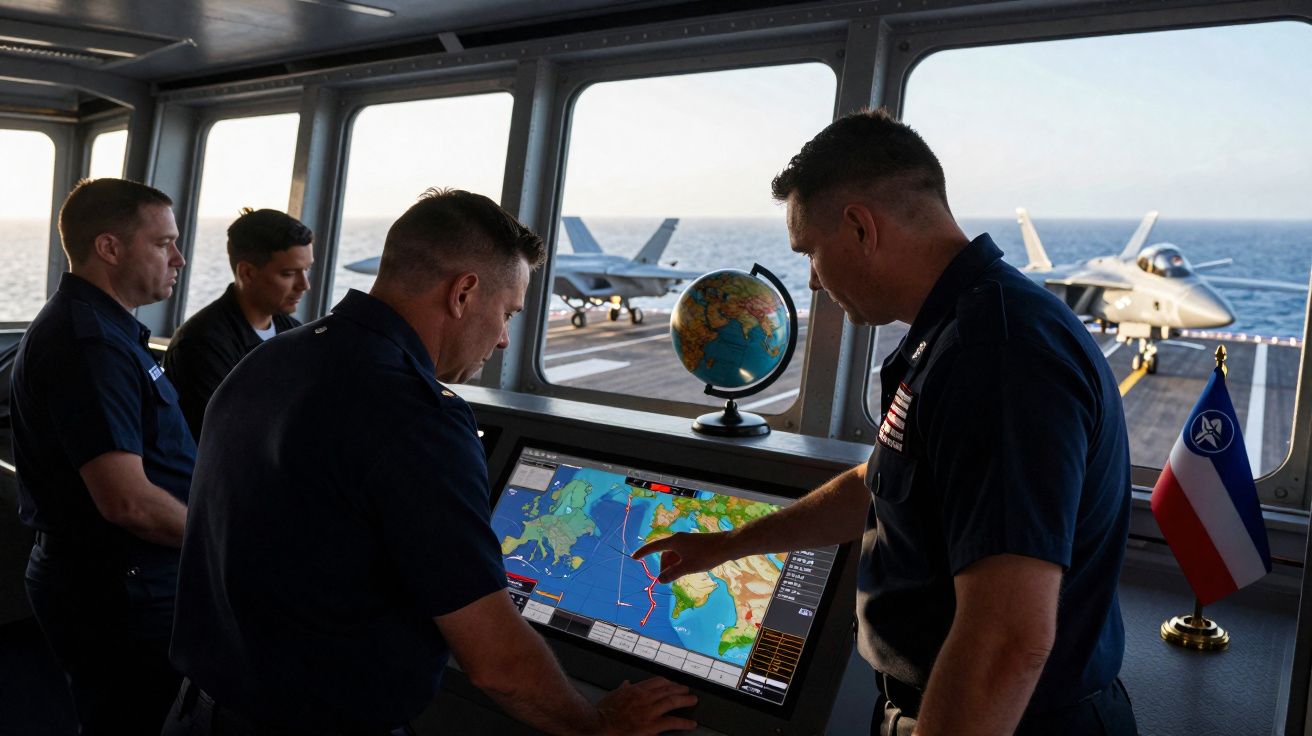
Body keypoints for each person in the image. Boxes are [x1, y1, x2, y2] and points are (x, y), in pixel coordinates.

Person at [635, 109, 1137, 736]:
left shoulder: (996, 356)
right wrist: (728, 546)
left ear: (859, 228)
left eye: (810, 253)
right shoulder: (950, 333)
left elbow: (1008, 640)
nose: (813, 281)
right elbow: (882, 484)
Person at [165, 189, 697, 736]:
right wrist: (598, 724)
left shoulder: (268, 360)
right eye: (507, 312)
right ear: (464, 292)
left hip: (199, 712)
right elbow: (496, 663)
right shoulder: (416, 417)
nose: (504, 340)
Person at [10, 178, 192, 734]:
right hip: (121, 589)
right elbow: (128, 502)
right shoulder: (90, 344)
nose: (179, 259)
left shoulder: (108, 331)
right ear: (109, 248)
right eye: (163, 244)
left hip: (121, 580)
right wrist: (226, 539)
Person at [163, 208, 313, 438]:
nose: (304, 285)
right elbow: (221, 437)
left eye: (307, 270)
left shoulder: (293, 332)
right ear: (247, 273)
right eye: (288, 273)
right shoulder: (202, 343)